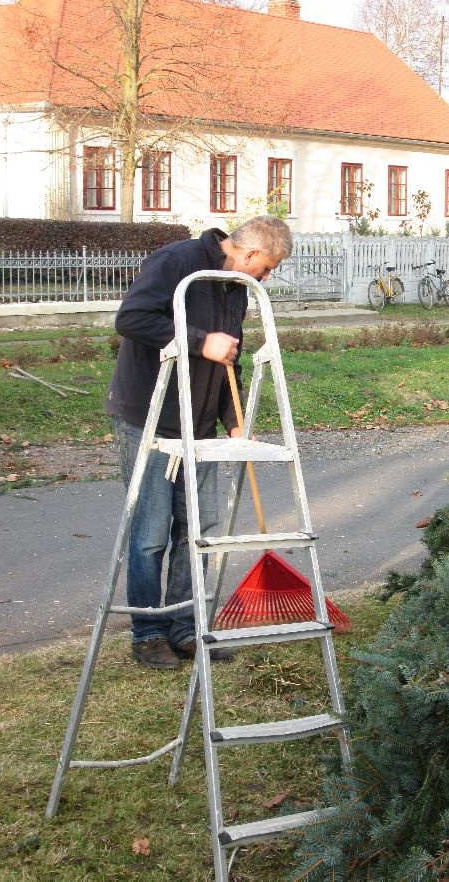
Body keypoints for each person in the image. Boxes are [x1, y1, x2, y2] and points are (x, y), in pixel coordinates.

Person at [104, 216, 292, 669]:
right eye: (267, 269)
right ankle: (148, 632)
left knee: (199, 532)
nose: (267, 278)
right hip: (148, 418)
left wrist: (234, 419)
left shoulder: (235, 286)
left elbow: (231, 356)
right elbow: (130, 318)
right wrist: (197, 340)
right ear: (248, 255)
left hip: (200, 424)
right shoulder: (178, 262)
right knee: (150, 536)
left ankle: (186, 628)